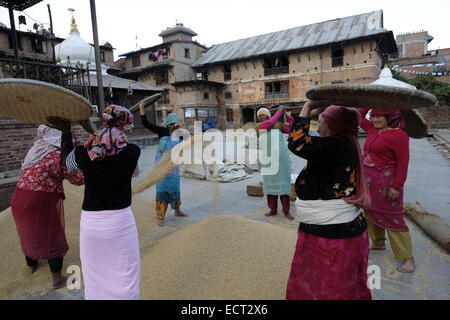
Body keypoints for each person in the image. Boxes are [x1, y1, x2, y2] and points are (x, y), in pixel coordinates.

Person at [47, 105, 141, 300]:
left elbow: (66, 162)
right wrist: (93, 130)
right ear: (122, 126)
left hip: (92, 224)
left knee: (96, 274)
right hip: (120, 223)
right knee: (126, 273)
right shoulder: (132, 152)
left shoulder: (84, 153)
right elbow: (114, 145)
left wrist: (67, 132)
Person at [286, 103, 372, 300]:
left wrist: (306, 110)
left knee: (328, 286)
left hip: (332, 235)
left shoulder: (336, 145)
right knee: (337, 281)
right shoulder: (341, 142)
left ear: (334, 126)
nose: (319, 127)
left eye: (321, 122)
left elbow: (297, 143)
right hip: (338, 228)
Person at [10, 125, 85, 290]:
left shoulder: (36, 148)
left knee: (27, 231)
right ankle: (57, 280)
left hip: (19, 197)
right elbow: (78, 179)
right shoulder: (59, 154)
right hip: (40, 200)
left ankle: (31, 265)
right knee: (52, 234)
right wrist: (79, 156)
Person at [359, 108, 415, 273]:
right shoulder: (371, 129)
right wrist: (371, 101)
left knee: (393, 218)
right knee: (370, 212)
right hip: (369, 182)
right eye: (373, 116)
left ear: (390, 117)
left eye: (379, 116)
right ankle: (378, 242)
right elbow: (358, 116)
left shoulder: (399, 135)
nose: (375, 119)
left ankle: (407, 258)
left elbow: (403, 163)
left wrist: (397, 186)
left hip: (387, 184)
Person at [139, 104, 187, 226]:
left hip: (173, 166)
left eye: (175, 124)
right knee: (162, 189)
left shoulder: (180, 134)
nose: (173, 126)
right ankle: (161, 214)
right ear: (167, 124)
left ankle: (177, 210)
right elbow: (146, 124)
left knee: (175, 188)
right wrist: (142, 110)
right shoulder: (162, 131)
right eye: (171, 124)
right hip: (161, 164)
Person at [256, 105, 294, 220]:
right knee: (270, 186)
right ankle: (273, 210)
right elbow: (269, 124)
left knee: (284, 185)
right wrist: (278, 112)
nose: (262, 117)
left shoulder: (278, 125)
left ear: (268, 115)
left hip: (281, 160)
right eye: (260, 115)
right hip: (268, 161)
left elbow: (291, 129)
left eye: (264, 114)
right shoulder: (259, 126)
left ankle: (286, 211)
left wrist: (288, 117)